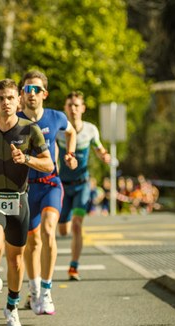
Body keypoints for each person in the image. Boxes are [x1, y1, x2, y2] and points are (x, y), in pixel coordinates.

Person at [0, 78, 53, 326]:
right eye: (1, 98)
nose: (6, 103)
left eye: (10, 98)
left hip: (19, 200)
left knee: (16, 260)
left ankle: (12, 308)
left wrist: (27, 159)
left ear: (18, 100)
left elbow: (49, 165)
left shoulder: (30, 130)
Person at [18, 70, 77, 315]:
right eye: (27, 89)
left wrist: (69, 153)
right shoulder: (15, 119)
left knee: (49, 230)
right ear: (21, 94)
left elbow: (71, 131)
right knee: (33, 242)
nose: (32, 94)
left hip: (51, 183)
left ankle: (46, 289)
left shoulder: (56, 117)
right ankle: (33, 291)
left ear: (45, 93)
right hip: (26, 187)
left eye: (36, 89)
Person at [55, 91, 110, 281]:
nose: (73, 109)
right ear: (65, 108)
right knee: (63, 230)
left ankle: (73, 267)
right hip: (62, 184)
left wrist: (104, 156)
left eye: (77, 105)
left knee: (77, 226)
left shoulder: (90, 129)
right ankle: (65, 222)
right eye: (70, 105)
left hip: (82, 185)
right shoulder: (59, 129)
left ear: (83, 108)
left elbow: (98, 147)